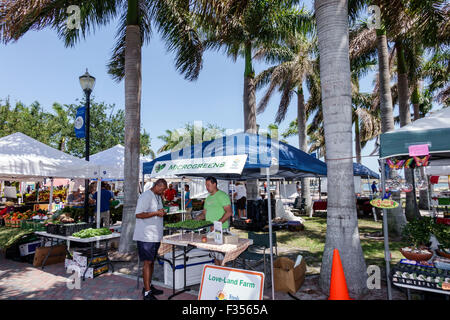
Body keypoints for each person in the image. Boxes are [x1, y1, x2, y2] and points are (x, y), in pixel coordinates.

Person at [133, 179, 168, 301]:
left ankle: (149, 286)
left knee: (152, 261)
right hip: (146, 236)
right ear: (157, 186)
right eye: (162, 189)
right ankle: (147, 292)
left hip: (155, 235)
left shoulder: (157, 196)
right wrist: (156, 213)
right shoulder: (145, 196)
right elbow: (138, 214)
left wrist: (162, 212)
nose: (163, 191)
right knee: (147, 262)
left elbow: (156, 211)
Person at [195, 176, 232, 265]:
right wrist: (196, 219)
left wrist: (216, 224)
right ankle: (217, 275)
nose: (207, 187)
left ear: (214, 184)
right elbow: (204, 213)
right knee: (215, 256)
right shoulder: (208, 198)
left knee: (222, 258)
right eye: (206, 185)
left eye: (208, 185)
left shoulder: (222, 195)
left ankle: (224, 277)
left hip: (220, 230)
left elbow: (229, 212)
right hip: (210, 231)